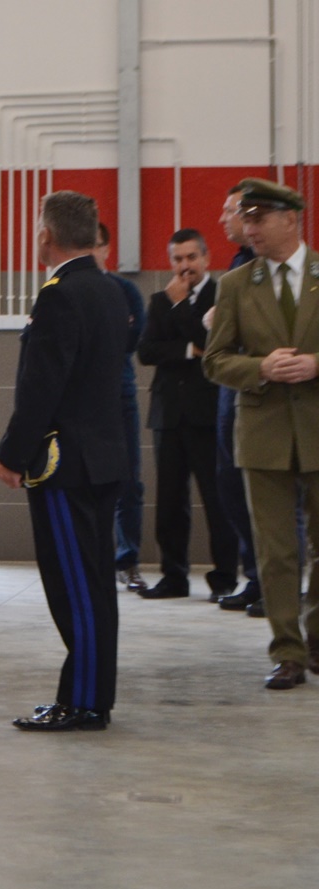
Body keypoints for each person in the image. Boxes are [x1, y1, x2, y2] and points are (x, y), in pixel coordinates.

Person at [0, 190, 128, 731]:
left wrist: (11, 456)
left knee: (76, 589)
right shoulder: (111, 290)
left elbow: (41, 390)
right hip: (104, 458)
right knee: (94, 586)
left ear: (46, 236)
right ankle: (87, 694)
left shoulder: (60, 295)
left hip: (67, 466)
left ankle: (85, 702)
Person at [202, 178, 319, 689]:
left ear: (291, 220)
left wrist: (316, 364)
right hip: (264, 433)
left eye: (258, 219)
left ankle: (318, 639)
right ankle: (287, 650)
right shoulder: (234, 285)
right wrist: (261, 368)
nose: (248, 229)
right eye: (244, 219)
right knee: (276, 552)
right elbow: (215, 361)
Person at [133, 228, 237, 601]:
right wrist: (187, 349)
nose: (185, 266)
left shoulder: (221, 296)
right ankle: (173, 576)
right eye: (178, 259)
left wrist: (181, 313)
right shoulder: (159, 299)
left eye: (192, 257)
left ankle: (224, 579)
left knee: (217, 499)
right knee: (169, 501)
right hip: (168, 413)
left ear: (206, 258)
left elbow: (213, 344)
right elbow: (146, 351)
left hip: (206, 413)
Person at [210, 185, 264, 613]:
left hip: (259, 388)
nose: (224, 219)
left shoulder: (265, 267)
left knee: (266, 494)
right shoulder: (236, 264)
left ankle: (274, 584)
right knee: (230, 485)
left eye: (230, 211)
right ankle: (255, 577)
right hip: (231, 386)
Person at [93, 224, 148, 592]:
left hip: (120, 395)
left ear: (107, 249)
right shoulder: (68, 289)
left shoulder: (125, 290)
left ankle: (127, 560)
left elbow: (132, 341)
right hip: (85, 401)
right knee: (89, 482)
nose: (92, 253)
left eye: (97, 246)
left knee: (128, 482)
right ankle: (94, 560)